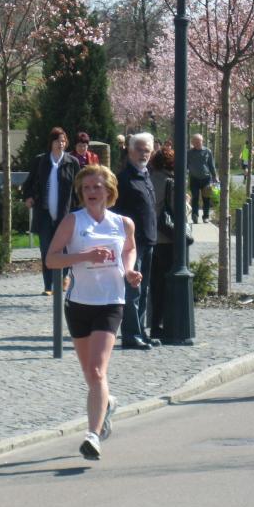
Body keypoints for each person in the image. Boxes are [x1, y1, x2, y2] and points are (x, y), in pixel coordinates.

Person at [45, 165, 140, 459]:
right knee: (90, 374)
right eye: (86, 188)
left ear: (109, 190)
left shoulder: (123, 223)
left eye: (97, 187)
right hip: (79, 303)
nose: (91, 192)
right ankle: (107, 403)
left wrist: (129, 271)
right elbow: (51, 259)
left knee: (98, 369)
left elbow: (129, 249)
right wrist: (84, 256)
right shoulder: (73, 221)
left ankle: (93, 435)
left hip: (110, 302)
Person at [22, 127, 81, 296]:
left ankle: (63, 277)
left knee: (65, 248)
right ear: (51, 143)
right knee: (46, 249)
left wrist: (79, 208)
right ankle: (48, 285)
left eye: (63, 141)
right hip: (44, 213)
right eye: (57, 141)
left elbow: (78, 188)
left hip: (66, 213)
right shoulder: (41, 161)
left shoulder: (72, 162)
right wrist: (28, 197)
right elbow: (29, 183)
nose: (60, 144)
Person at [115, 132, 160, 350]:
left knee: (144, 290)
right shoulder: (124, 179)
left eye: (147, 150)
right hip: (132, 243)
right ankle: (131, 335)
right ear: (130, 151)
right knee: (133, 290)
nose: (144, 154)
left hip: (148, 240)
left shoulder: (146, 175)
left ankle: (141, 331)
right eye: (139, 150)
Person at [149, 148, 182, 340]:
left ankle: (153, 323)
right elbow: (179, 211)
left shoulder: (150, 178)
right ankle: (161, 324)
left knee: (155, 284)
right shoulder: (171, 181)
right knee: (166, 283)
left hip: (152, 237)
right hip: (167, 238)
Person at [187, 133, 218, 224]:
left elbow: (211, 165)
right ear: (192, 142)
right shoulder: (189, 153)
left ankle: (206, 216)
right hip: (194, 178)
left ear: (202, 141)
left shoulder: (207, 151)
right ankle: (195, 215)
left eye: (199, 141)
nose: (197, 143)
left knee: (206, 199)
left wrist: (215, 176)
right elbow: (186, 165)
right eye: (195, 142)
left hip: (206, 178)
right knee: (195, 197)